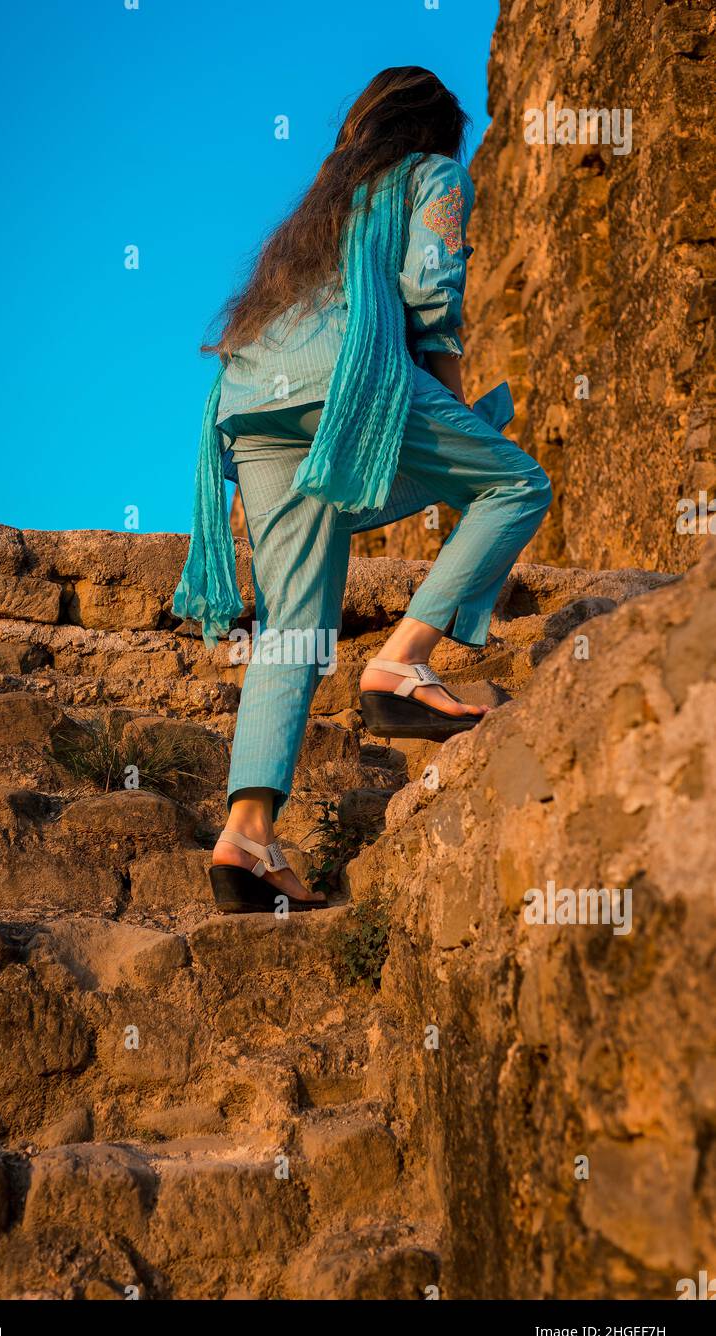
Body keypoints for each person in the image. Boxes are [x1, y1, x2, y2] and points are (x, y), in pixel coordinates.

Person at [174, 66, 552, 913]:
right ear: (433, 133)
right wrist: (461, 418)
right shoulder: (435, 177)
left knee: (294, 625)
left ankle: (248, 836)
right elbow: (430, 297)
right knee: (517, 484)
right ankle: (403, 665)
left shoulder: (316, 213)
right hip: (345, 375)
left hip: (248, 403)